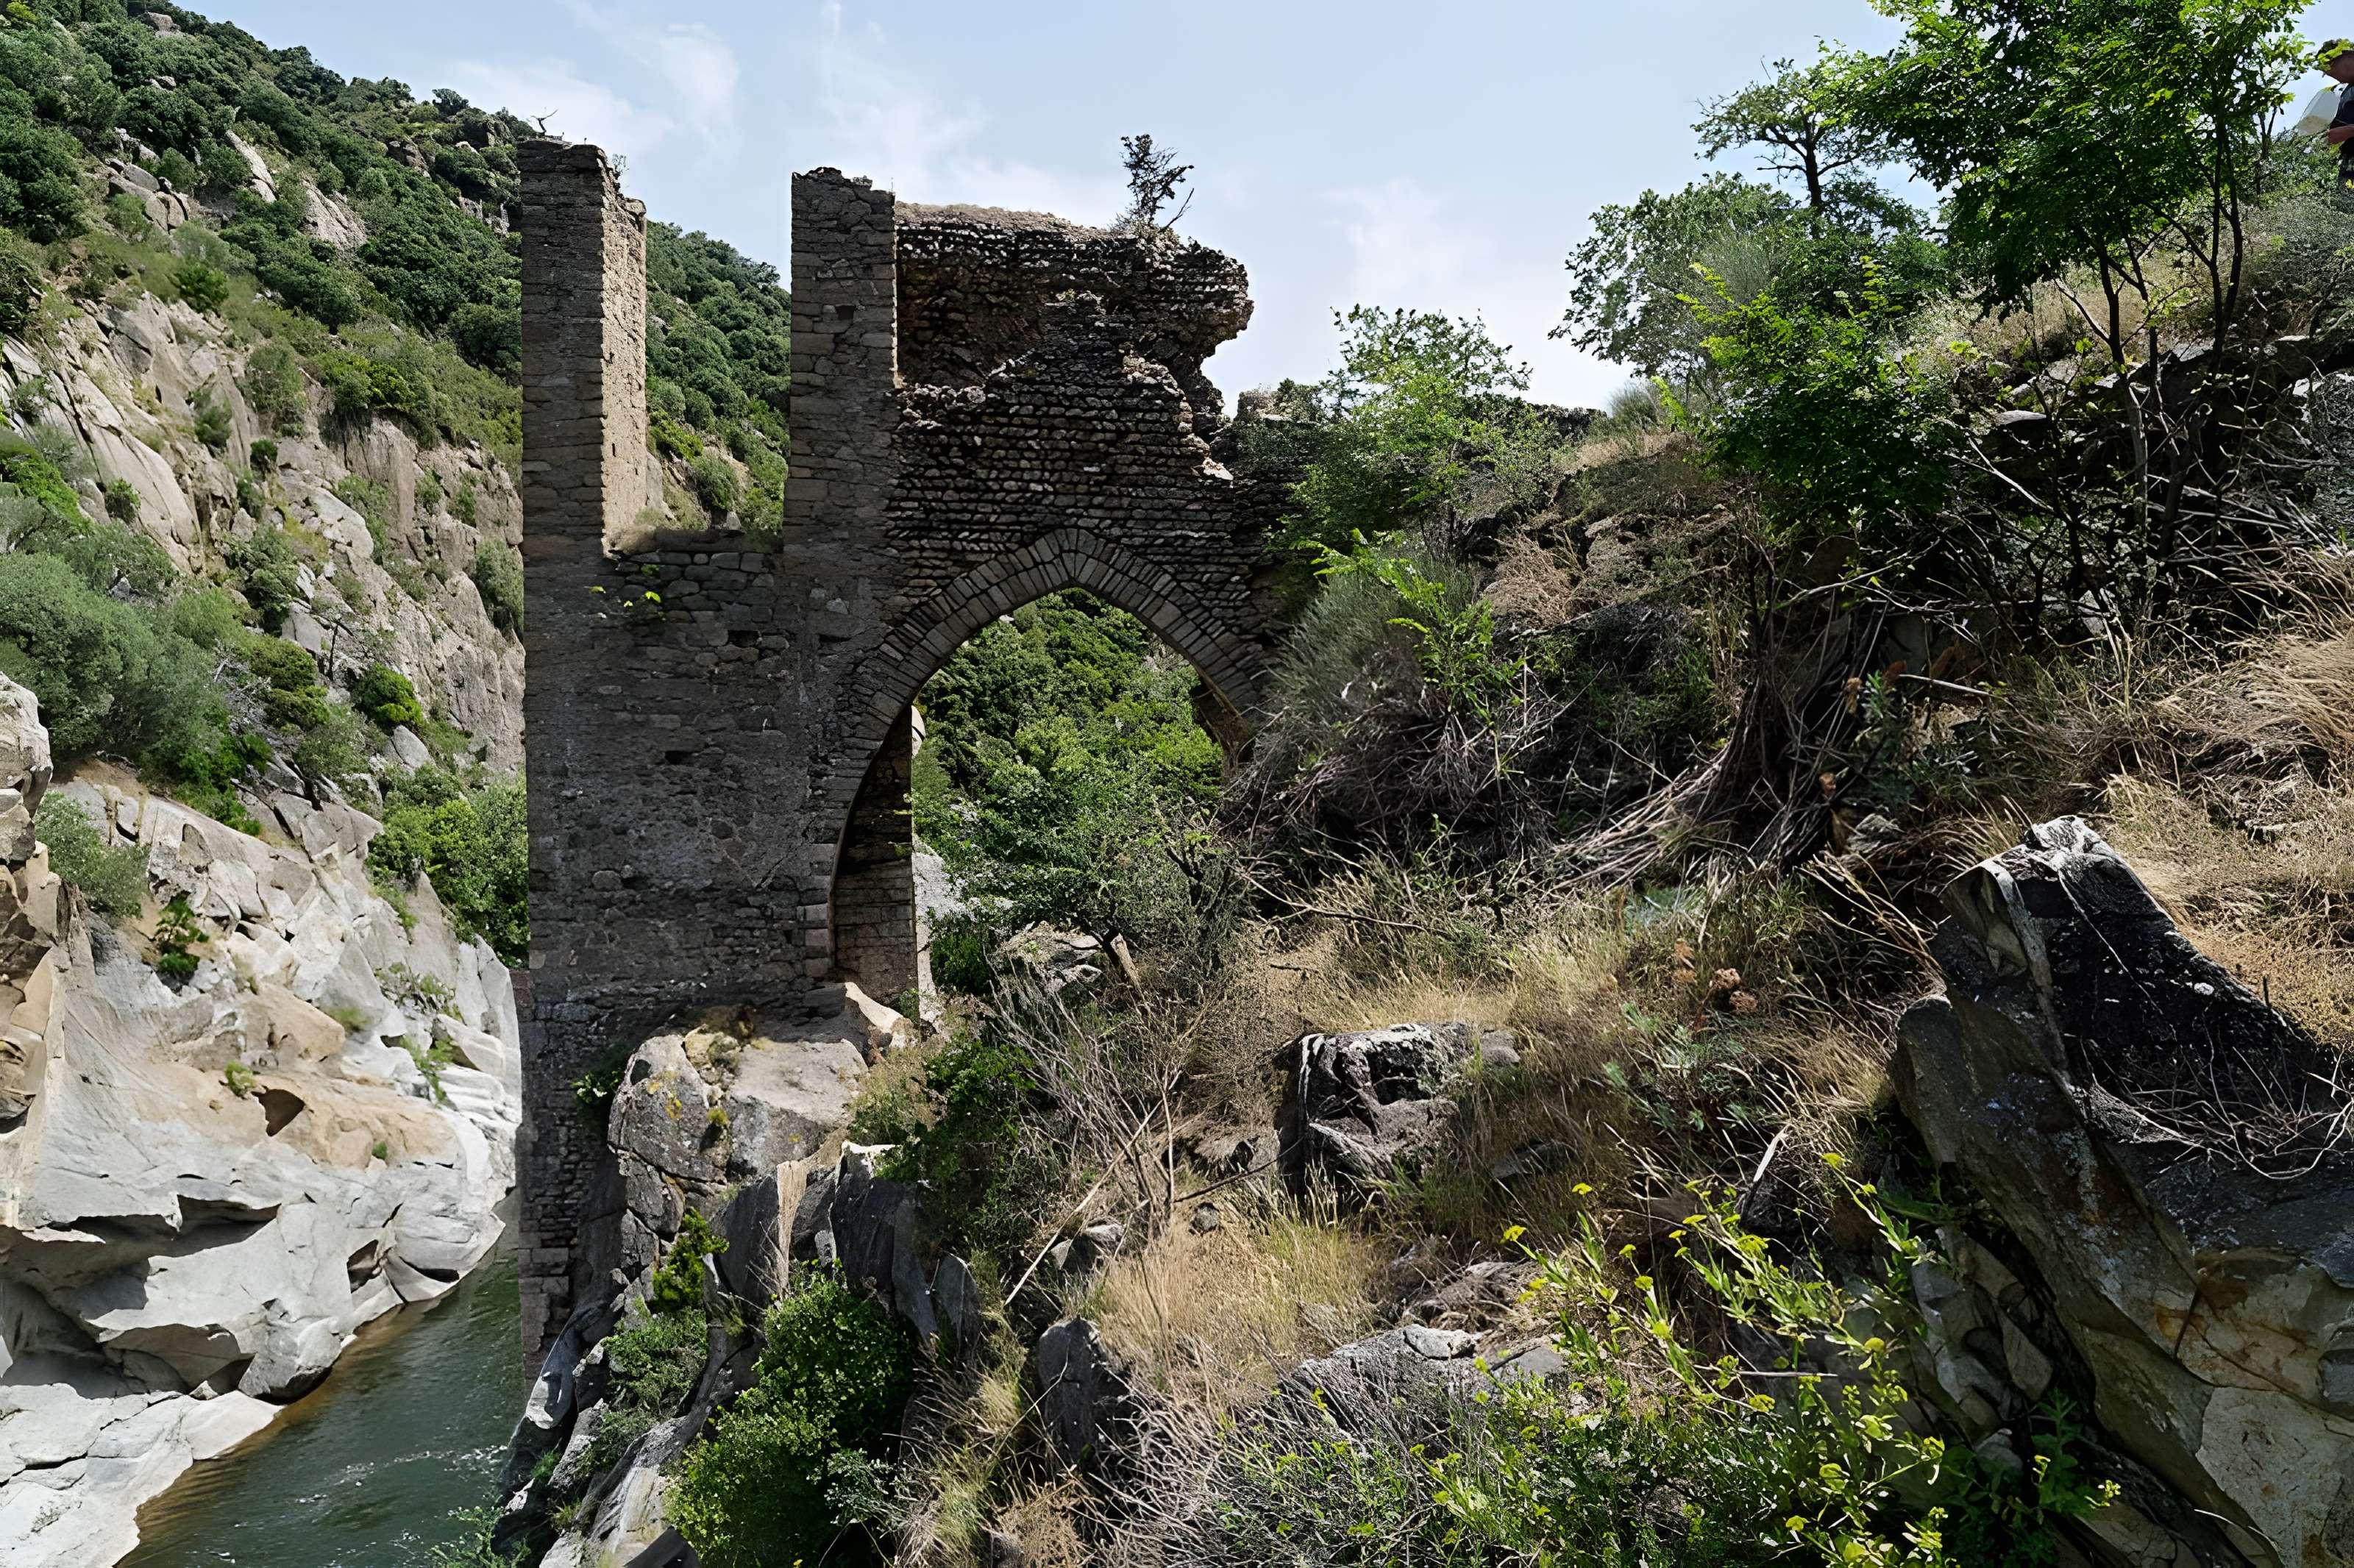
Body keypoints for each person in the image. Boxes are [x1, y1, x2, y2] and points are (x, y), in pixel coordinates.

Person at [2322, 39, 2354, 188]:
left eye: (2331, 68)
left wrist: (2350, 131)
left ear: (2348, 56)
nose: (2335, 78)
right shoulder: (2346, 94)